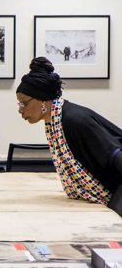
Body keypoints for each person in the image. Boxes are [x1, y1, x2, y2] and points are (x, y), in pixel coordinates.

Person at [16, 56, 122, 215]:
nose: (20, 109)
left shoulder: (76, 121)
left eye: (24, 103)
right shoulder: (55, 122)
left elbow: (115, 156)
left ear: (43, 100)